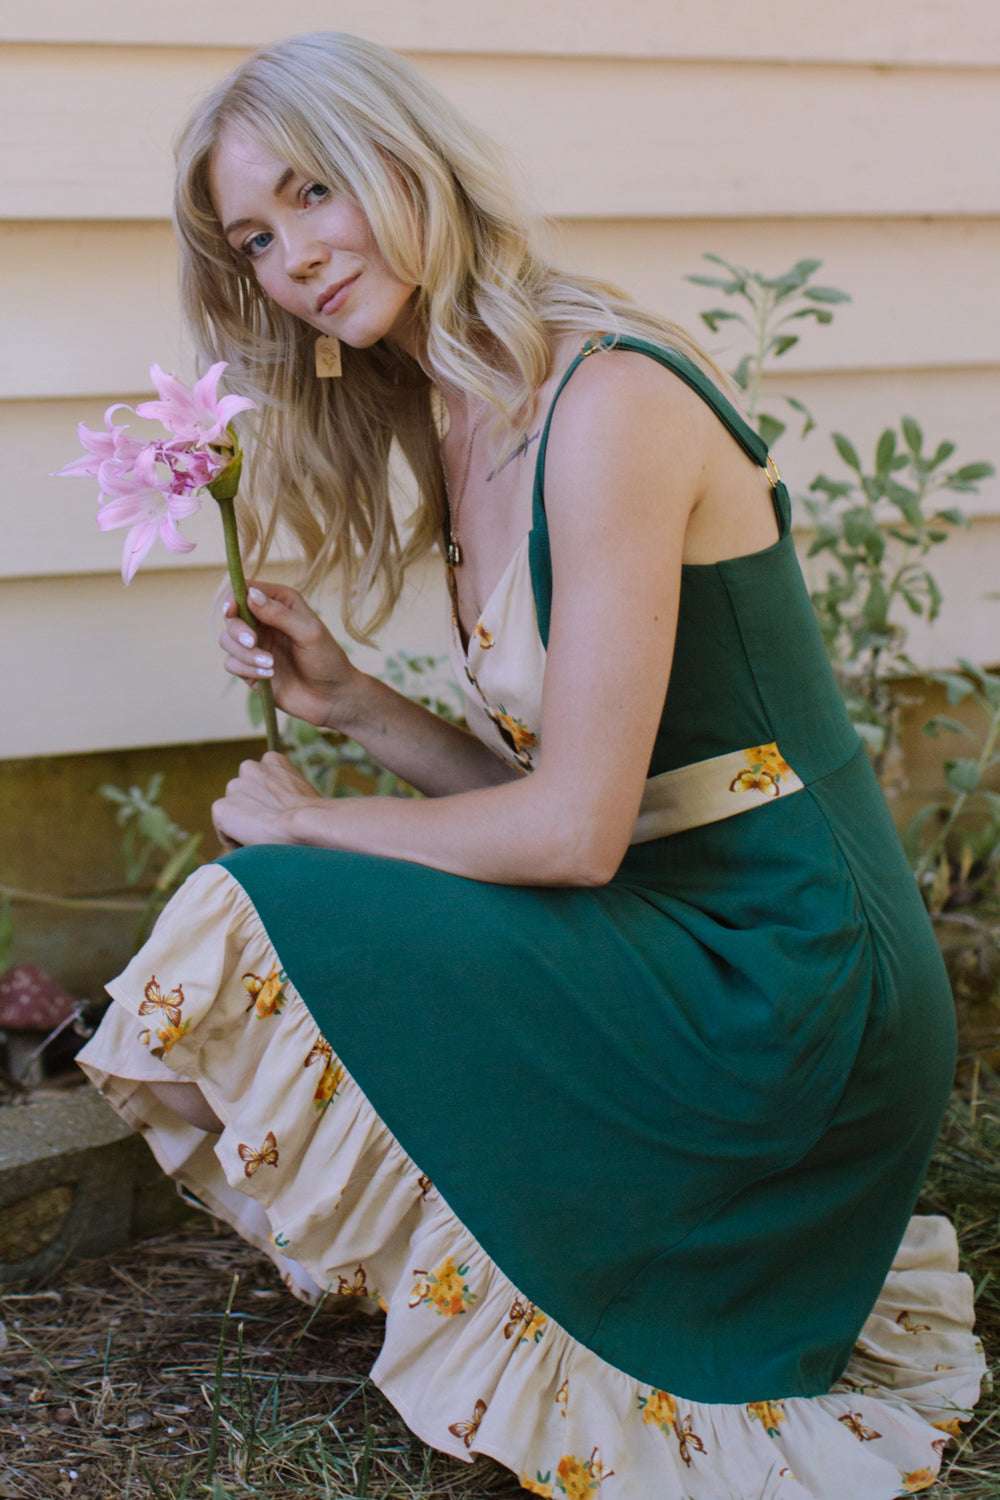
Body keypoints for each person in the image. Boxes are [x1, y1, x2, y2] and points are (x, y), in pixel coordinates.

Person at [75, 29, 986, 1499]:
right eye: (254, 238)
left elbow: (571, 837)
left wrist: (318, 822)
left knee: (258, 904)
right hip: (666, 921)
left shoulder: (610, 401)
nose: (294, 258)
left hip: (791, 981)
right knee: (285, 900)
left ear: (406, 159)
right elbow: (578, 804)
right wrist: (355, 703)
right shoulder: (465, 411)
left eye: (312, 192)